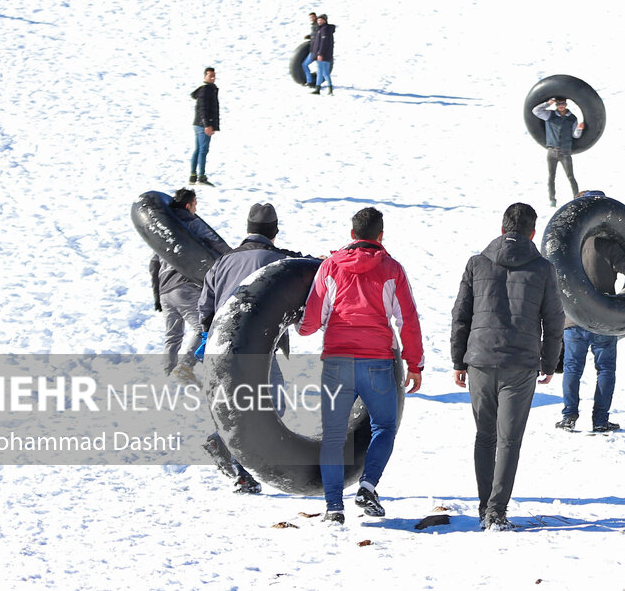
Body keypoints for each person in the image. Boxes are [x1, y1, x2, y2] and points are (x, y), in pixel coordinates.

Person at [300, 207, 424, 525]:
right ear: (380, 236)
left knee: (333, 435)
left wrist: (300, 327)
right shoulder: (392, 269)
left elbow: (312, 321)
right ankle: (367, 486)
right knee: (383, 427)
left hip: (337, 362)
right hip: (377, 362)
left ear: (352, 235)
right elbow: (406, 319)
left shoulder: (329, 267)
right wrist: (415, 363)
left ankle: (333, 508)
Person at [451, 202, 564, 531]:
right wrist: (550, 361)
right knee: (509, 440)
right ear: (532, 233)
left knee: (485, 437)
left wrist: (459, 360)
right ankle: (497, 513)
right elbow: (554, 319)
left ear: (502, 229)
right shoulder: (543, 269)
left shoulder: (476, 263)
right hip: (520, 363)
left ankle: (485, 507)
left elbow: (461, 315)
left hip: (480, 361)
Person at [196, 202, 307, 493]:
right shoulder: (278, 260)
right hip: (256, 349)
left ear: (248, 230)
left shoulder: (223, 261)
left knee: (240, 406)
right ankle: (223, 446)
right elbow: (301, 270)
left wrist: (208, 338)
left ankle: (239, 472)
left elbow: (204, 307)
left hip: (219, 347)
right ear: (275, 231)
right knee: (271, 405)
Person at [557, 192, 625, 433]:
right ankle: (600, 420)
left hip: (572, 320)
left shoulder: (565, 246)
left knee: (572, 369)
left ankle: (568, 416)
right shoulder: (607, 246)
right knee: (605, 370)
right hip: (603, 318)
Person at [148, 188, 229, 384]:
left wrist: (157, 295)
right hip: (185, 286)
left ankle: (169, 373)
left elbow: (154, 264)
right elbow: (216, 244)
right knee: (204, 329)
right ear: (188, 205)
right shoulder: (190, 224)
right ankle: (185, 367)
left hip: (165, 290)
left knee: (172, 335)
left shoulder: (164, 228)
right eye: (195, 205)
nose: (196, 210)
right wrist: (235, 257)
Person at [531, 97, 584, 207]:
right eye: (558, 103)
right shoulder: (549, 115)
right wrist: (548, 103)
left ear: (566, 104)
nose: (561, 106)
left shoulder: (572, 118)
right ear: (556, 104)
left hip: (565, 152)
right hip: (552, 152)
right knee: (551, 177)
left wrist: (579, 128)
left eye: (563, 103)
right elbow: (535, 111)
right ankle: (552, 200)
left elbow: (575, 135)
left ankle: (576, 197)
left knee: (570, 176)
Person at [190, 67, 219, 186]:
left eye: (213, 76)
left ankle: (193, 176)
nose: (212, 78)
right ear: (204, 76)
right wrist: (207, 125)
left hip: (200, 124)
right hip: (203, 125)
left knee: (198, 150)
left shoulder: (209, 89)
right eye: (209, 76)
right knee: (203, 150)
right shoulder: (206, 90)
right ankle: (201, 176)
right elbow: (203, 109)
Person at [310, 14, 335, 95]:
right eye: (318, 20)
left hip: (323, 55)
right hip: (326, 55)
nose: (319, 21)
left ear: (325, 20)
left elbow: (323, 43)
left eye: (321, 20)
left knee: (323, 72)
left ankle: (327, 89)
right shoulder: (323, 29)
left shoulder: (324, 29)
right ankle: (320, 89)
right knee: (322, 72)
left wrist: (320, 53)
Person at [302, 11, 319, 88]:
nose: (312, 18)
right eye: (310, 17)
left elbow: (318, 35)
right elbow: (315, 35)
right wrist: (310, 36)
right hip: (313, 49)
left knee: (305, 64)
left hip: (316, 50)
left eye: (313, 17)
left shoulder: (317, 25)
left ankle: (311, 82)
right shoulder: (314, 25)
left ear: (316, 17)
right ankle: (311, 82)